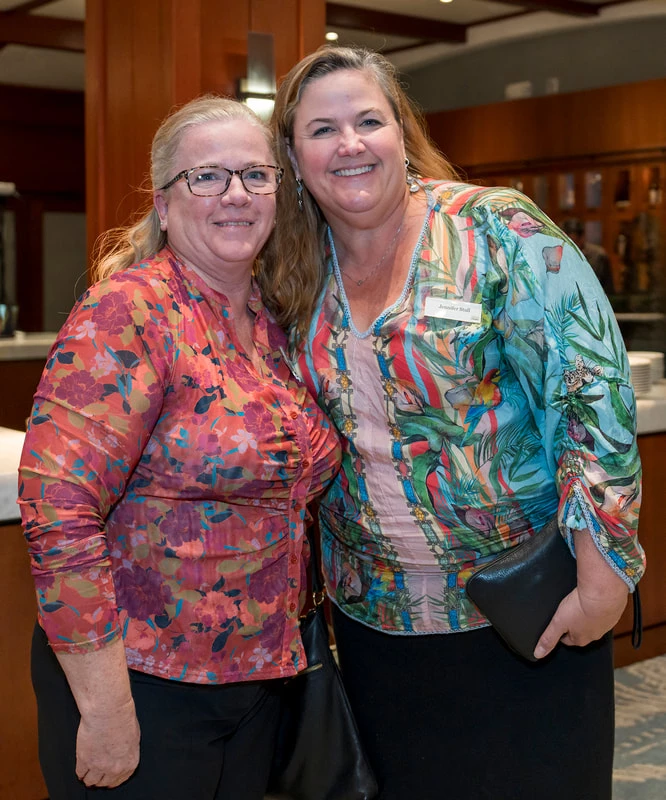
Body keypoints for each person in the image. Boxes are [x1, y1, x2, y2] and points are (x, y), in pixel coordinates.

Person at [259, 46, 646, 800]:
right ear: (293, 158)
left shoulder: (493, 230)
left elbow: (590, 389)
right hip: (375, 624)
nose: (350, 144)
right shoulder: (291, 269)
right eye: (322, 130)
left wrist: (603, 573)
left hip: (525, 610)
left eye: (369, 121)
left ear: (402, 132)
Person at [18, 95, 340, 800]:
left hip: (255, 686)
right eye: (207, 177)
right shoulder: (128, 312)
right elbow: (58, 510)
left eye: (255, 175)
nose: (236, 194)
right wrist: (106, 707)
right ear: (164, 205)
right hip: (143, 686)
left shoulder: (271, 318)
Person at [562, 216, 615, 294]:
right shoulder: (560, 255)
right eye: (567, 242)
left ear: (582, 238)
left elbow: (608, 286)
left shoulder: (598, 255)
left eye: (574, 241)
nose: (571, 246)